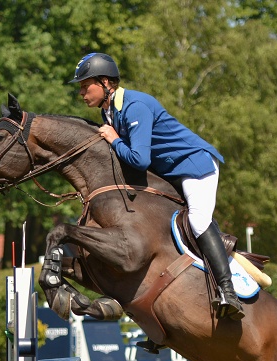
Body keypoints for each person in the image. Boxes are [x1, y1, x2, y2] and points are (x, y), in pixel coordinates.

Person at [69, 52, 244, 336]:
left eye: (84, 85)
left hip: (194, 165)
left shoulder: (135, 105)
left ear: (105, 82)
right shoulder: (109, 111)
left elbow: (138, 160)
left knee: (198, 222)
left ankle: (228, 291)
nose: (80, 92)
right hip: (169, 173)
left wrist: (113, 139)